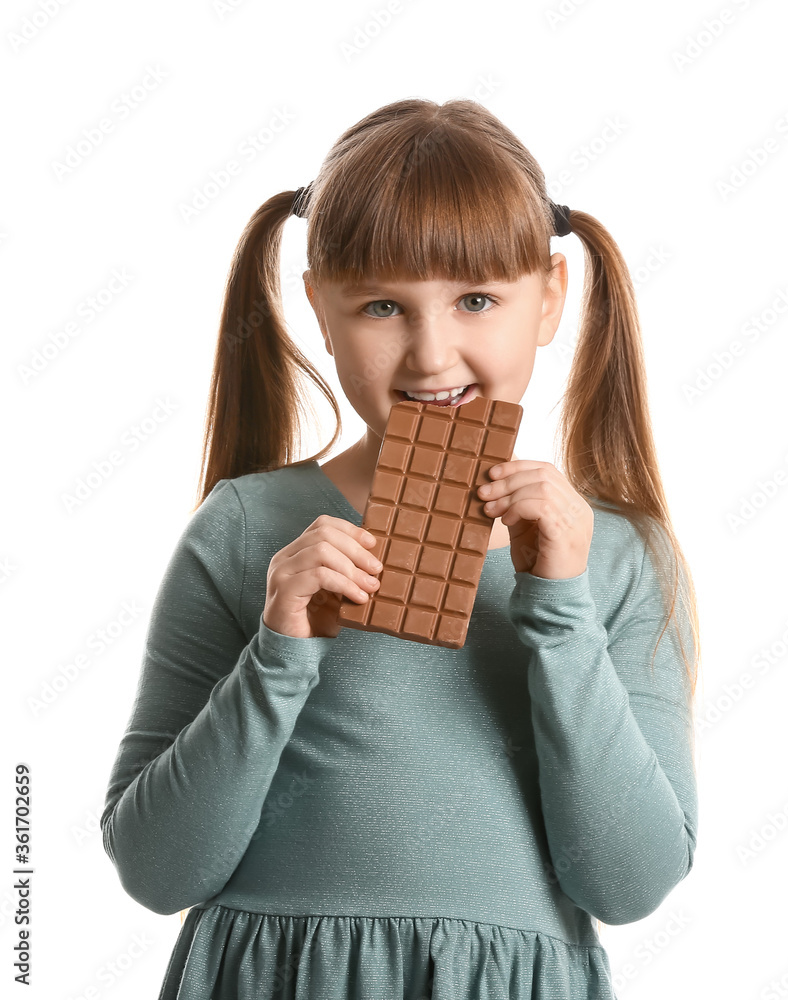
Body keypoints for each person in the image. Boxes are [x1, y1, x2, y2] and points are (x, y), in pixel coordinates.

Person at [100, 97, 700, 1000]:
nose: (430, 354)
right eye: (382, 306)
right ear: (320, 308)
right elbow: (156, 870)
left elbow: (629, 883)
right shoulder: (245, 529)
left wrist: (561, 611)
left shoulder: (617, 557)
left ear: (548, 298)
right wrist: (279, 653)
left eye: (476, 300)